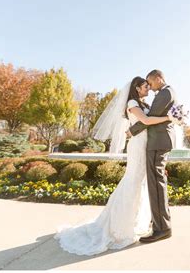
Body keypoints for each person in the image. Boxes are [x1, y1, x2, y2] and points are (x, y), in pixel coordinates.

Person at [53, 76, 171, 256]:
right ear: (137, 88)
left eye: (149, 85)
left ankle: (138, 220)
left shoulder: (143, 104)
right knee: (132, 182)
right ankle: (119, 228)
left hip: (145, 145)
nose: (148, 88)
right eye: (145, 86)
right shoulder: (132, 102)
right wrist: (168, 118)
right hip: (138, 147)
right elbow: (146, 122)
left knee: (140, 183)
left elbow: (143, 123)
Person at [127, 69, 177, 243]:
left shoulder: (165, 92)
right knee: (157, 183)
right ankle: (161, 224)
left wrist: (131, 131)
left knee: (156, 184)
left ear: (159, 78)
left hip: (157, 142)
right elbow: (151, 116)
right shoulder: (165, 92)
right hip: (158, 141)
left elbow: (151, 118)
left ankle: (162, 228)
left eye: (151, 82)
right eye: (146, 84)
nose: (150, 86)